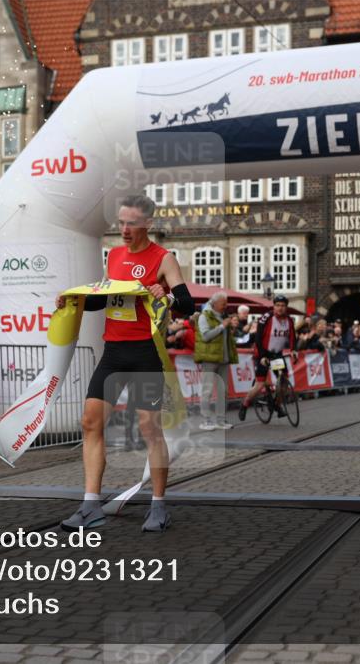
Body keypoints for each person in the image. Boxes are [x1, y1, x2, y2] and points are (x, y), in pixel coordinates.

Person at [55, 194, 193, 533]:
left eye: (132, 223)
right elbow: (105, 300)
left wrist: (169, 296)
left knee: (149, 427)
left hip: (146, 352)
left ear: (147, 223)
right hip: (113, 352)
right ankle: (90, 505)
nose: (125, 229)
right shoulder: (114, 255)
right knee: (90, 422)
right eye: (121, 222)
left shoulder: (163, 258)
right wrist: (72, 302)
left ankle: (158, 506)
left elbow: (187, 303)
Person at [238, 295, 295, 421]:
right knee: (260, 384)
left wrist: (293, 350)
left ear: (286, 307)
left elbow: (292, 337)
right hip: (263, 354)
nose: (280, 308)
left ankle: (277, 405)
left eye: (283, 305)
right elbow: (258, 338)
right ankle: (245, 404)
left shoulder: (289, 320)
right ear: (274, 306)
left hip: (276, 355)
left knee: (284, 381)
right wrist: (263, 356)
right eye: (278, 305)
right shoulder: (267, 317)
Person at [194, 291, 238, 431]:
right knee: (207, 390)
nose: (226, 306)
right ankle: (206, 420)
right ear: (214, 303)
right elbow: (206, 336)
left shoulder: (223, 316)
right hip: (209, 359)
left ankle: (220, 420)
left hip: (223, 359)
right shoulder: (204, 316)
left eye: (226, 303)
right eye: (223, 303)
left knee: (223, 391)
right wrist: (222, 327)